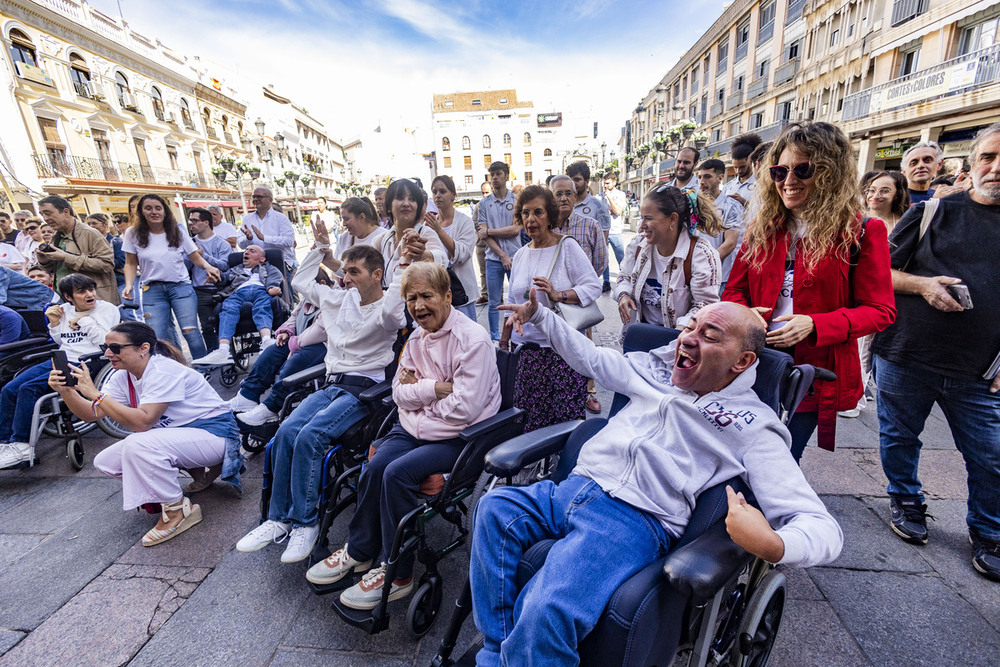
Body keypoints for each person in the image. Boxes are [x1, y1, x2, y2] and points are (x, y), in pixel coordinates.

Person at [473, 299, 844, 665]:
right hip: (572, 489)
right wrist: (540, 315)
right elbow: (589, 357)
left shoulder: (751, 423)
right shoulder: (652, 370)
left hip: (630, 519)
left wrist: (774, 543)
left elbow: (820, 526)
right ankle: (496, 652)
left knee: (545, 608)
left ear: (742, 361)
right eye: (690, 326)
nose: (688, 338)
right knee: (494, 508)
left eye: (710, 335)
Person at [306, 262, 501, 608]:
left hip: (460, 437)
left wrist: (418, 397)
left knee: (396, 473)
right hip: (414, 427)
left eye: (427, 296)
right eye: (411, 298)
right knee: (375, 464)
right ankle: (360, 551)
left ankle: (399, 574)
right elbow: (399, 392)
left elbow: (465, 410)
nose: (419, 305)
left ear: (447, 296)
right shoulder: (415, 338)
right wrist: (434, 389)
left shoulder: (473, 341)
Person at [870, 122, 1000, 581]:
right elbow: (878, 275)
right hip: (905, 354)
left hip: (980, 370)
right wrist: (923, 285)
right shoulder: (932, 213)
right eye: (988, 157)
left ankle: (989, 531)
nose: (996, 168)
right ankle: (906, 499)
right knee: (899, 436)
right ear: (971, 163)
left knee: (990, 453)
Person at [722, 121, 896, 461]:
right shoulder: (762, 227)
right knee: (740, 448)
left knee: (785, 455)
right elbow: (734, 290)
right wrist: (746, 312)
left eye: (803, 170)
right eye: (779, 171)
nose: (788, 181)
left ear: (830, 174)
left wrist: (815, 324)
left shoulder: (863, 231)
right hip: (757, 359)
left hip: (815, 370)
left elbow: (881, 311)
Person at [235, 243, 407, 563]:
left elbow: (396, 300)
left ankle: (305, 523)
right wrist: (319, 250)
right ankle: (279, 519)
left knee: (312, 435)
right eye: (345, 271)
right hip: (331, 384)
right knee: (286, 430)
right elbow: (300, 281)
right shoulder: (337, 298)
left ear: (377, 275)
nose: (345, 277)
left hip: (364, 390)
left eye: (354, 272)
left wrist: (405, 265)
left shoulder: (387, 308)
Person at [50, 321, 242, 546]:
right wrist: (66, 391)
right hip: (181, 437)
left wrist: (95, 394)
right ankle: (192, 472)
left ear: (143, 348)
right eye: (106, 348)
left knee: (138, 444)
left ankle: (177, 510)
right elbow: (91, 415)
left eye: (116, 348)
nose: (108, 354)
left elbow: (143, 422)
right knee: (106, 462)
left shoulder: (163, 370)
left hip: (215, 436)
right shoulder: (123, 376)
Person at [501, 185, 601, 431]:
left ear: (550, 215)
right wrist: (504, 343)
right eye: (525, 213)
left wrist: (558, 295)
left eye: (538, 212)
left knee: (566, 423)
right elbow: (512, 302)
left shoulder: (567, 247)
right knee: (531, 420)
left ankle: (566, 467)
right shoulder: (521, 254)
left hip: (561, 350)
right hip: (527, 351)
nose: (531, 219)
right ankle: (537, 468)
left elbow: (592, 286)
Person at [0, 274, 118, 468]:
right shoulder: (64, 309)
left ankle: (21, 446)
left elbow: (105, 342)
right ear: (68, 296)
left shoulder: (107, 309)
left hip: (88, 361)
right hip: (62, 358)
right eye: (82, 291)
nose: (90, 294)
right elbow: (61, 341)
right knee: (9, 388)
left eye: (91, 289)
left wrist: (84, 321)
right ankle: (4, 443)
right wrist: (54, 324)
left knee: (28, 389)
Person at [842, 170, 911, 419]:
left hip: (904, 301)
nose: (876, 195)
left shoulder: (908, 221)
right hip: (868, 299)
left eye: (884, 190)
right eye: (871, 190)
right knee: (863, 348)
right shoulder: (858, 222)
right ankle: (855, 398)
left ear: (898, 193)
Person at [122, 194, 221, 359]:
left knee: (190, 331)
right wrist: (129, 284)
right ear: (141, 212)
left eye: (158, 208)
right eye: (148, 208)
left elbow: (194, 256)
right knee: (157, 337)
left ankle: (203, 369)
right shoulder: (132, 233)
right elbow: (130, 263)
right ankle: (174, 369)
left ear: (165, 211)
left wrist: (208, 266)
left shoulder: (176, 230)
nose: (154, 212)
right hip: (151, 289)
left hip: (180, 287)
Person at [614, 185, 723, 329]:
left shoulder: (701, 254)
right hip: (640, 337)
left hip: (679, 342)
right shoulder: (638, 245)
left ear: (672, 219)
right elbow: (624, 277)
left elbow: (705, 306)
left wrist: (681, 329)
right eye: (641, 218)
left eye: (648, 218)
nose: (641, 226)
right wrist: (624, 294)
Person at [231, 271, 330, 424]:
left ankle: (271, 407)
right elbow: (294, 317)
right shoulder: (308, 298)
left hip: (324, 345)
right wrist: (286, 331)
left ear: (322, 284)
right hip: (300, 341)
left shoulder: (332, 299)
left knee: (296, 360)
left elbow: (318, 332)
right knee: (272, 351)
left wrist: (294, 346)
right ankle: (248, 395)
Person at [551, 175, 609, 414]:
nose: (564, 198)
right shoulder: (545, 225)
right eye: (558, 194)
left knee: (584, 345)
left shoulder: (590, 225)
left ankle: (588, 391)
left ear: (576, 196)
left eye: (568, 193)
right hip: (550, 301)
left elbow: (600, 263)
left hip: (578, 300)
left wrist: (577, 290)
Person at [192, 245, 284, 365]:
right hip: (238, 292)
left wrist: (272, 287)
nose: (246, 252)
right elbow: (224, 278)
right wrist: (216, 278)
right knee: (228, 308)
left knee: (262, 307)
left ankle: (266, 340)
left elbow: (275, 277)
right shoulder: (236, 268)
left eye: (252, 251)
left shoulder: (269, 268)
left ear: (262, 259)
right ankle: (223, 350)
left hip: (260, 290)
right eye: (246, 250)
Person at [34, 196, 119, 306]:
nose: (45, 218)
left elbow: (106, 264)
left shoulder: (90, 234)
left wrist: (66, 257)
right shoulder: (56, 236)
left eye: (48, 213)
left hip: (95, 303)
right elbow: (58, 268)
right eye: (42, 214)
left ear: (66, 212)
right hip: (68, 303)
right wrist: (44, 261)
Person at [478, 162, 521, 341]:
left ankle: (516, 334)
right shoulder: (484, 204)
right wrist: (502, 255)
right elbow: (483, 235)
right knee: (494, 302)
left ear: (506, 176)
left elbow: (516, 230)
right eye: (492, 175)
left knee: (517, 298)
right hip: (494, 259)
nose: (494, 178)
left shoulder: (516, 201)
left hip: (516, 257)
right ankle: (495, 337)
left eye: (498, 174)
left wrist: (490, 231)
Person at [425, 175, 478, 320]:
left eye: (442, 191)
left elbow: (463, 254)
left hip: (461, 291)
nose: (438, 196)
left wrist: (439, 231)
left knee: (467, 336)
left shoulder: (464, 222)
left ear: (453, 195)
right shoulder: (429, 223)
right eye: (434, 191)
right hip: (437, 291)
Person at [186, 207, 236, 351]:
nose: (191, 224)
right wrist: (191, 255)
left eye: (195, 220)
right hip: (200, 290)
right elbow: (185, 266)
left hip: (222, 289)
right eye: (190, 221)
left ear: (206, 222)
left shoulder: (222, 243)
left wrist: (203, 256)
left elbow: (225, 266)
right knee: (206, 327)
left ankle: (229, 352)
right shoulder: (190, 243)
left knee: (226, 323)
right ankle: (213, 355)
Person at [378, 178, 448, 278]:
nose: (406, 204)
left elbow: (442, 260)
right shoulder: (382, 240)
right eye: (400, 198)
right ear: (389, 205)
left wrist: (422, 255)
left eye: (412, 199)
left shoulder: (425, 233)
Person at [696, 159, 746, 292]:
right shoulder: (693, 205)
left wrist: (706, 264)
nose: (702, 181)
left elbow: (730, 243)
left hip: (720, 278)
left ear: (720, 178)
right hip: (694, 275)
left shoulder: (732, 206)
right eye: (699, 177)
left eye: (707, 177)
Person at [313, 197, 388, 277]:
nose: (343, 224)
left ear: (362, 217)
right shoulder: (344, 238)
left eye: (346, 219)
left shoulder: (384, 237)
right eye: (343, 219)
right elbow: (336, 275)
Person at [239, 187, 296, 268]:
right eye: (254, 197)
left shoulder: (281, 218)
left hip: (280, 263)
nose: (255, 199)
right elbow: (241, 245)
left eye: (259, 197)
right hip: (256, 266)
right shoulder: (247, 219)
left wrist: (264, 238)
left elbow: (289, 241)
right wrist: (248, 239)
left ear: (270, 200)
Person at [86, 213, 128, 317]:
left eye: (94, 223)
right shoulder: (88, 242)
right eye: (89, 224)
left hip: (118, 282)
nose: (91, 226)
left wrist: (101, 261)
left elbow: (121, 261)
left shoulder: (115, 241)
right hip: (101, 284)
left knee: (126, 314)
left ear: (105, 224)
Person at [598, 173, 628, 293]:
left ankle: (625, 280)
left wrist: (609, 198)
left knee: (621, 258)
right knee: (604, 258)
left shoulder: (620, 195)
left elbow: (618, 211)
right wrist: (608, 211)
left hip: (615, 231)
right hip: (603, 231)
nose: (605, 185)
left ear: (614, 183)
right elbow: (599, 214)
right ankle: (606, 282)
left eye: (608, 183)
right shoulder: (599, 197)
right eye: (604, 183)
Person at [567, 162, 612, 239]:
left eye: (577, 180)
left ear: (587, 182)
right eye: (570, 180)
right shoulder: (563, 205)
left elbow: (603, 240)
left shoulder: (599, 207)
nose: (573, 184)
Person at [722, 133, 763, 208]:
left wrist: (744, 202)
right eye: (735, 167)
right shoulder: (728, 186)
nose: (738, 171)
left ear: (751, 162)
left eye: (742, 167)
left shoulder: (761, 186)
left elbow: (764, 212)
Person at [472, 181, 492, 304]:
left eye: (487, 192)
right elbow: (474, 221)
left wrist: (489, 231)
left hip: (495, 243)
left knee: (496, 271)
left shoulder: (496, 205)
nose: (485, 195)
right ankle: (485, 294)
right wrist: (483, 230)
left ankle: (498, 295)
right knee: (483, 271)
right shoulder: (478, 206)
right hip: (481, 243)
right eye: (483, 192)